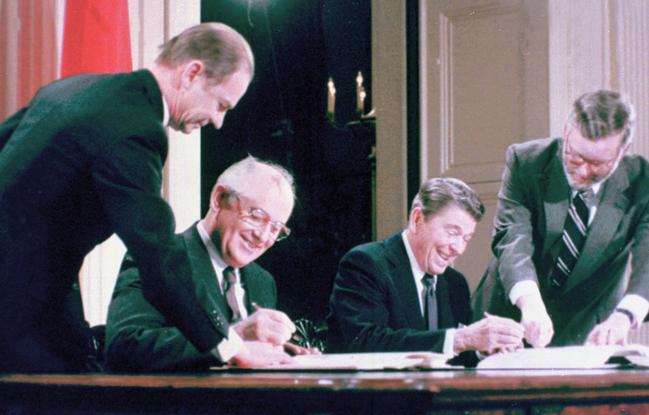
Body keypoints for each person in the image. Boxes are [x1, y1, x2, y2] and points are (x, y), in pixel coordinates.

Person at [0, 23, 262, 372]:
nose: (218, 121)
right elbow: (156, 252)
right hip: (19, 308)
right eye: (221, 104)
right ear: (192, 72)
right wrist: (229, 347)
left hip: (34, 299)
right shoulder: (137, 128)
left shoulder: (70, 89)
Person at [472, 89, 649, 347]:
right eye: (575, 157)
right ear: (566, 132)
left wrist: (624, 316)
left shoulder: (642, 182)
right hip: (511, 316)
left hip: (588, 328)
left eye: (598, 164)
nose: (584, 171)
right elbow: (512, 238)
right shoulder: (526, 162)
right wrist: (530, 302)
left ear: (623, 151)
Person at [105, 157, 307, 372]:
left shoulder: (262, 281)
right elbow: (124, 348)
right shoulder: (158, 257)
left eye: (276, 228)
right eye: (256, 216)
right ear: (219, 198)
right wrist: (235, 338)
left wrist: (281, 353)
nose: (263, 236)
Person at [327, 177, 525, 358]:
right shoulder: (365, 263)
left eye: (466, 238)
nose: (458, 248)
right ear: (416, 220)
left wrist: (485, 351)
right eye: (452, 232)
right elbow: (366, 342)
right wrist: (462, 338)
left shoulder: (455, 283)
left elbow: (453, 355)